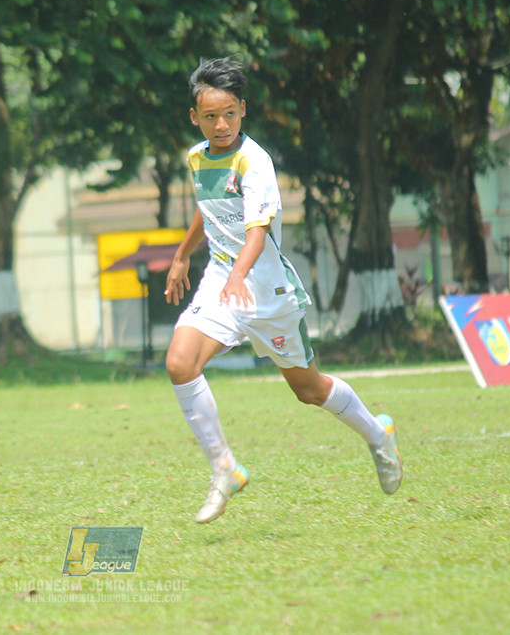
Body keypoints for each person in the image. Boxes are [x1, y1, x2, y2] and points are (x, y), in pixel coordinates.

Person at [164, 57, 402, 524]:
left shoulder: (255, 162)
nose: (221, 124)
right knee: (179, 363)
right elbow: (207, 209)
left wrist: (239, 276)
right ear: (195, 117)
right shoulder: (196, 158)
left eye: (229, 113)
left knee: (309, 390)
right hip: (221, 282)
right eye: (210, 116)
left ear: (243, 110)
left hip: (266, 291)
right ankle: (225, 469)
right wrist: (181, 255)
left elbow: (257, 231)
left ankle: (378, 435)